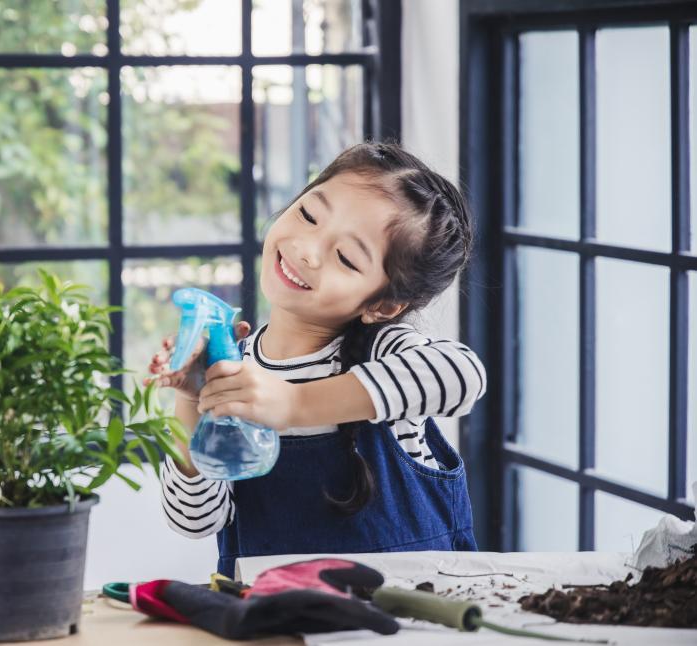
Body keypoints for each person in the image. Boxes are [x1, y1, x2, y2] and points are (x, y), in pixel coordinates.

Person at [144, 141, 487, 578]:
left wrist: (293, 404)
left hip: (406, 620)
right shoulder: (239, 367)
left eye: (345, 257)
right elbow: (194, 520)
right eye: (308, 215)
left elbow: (463, 374)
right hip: (275, 623)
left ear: (381, 306)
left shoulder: (383, 352)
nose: (307, 250)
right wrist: (193, 399)